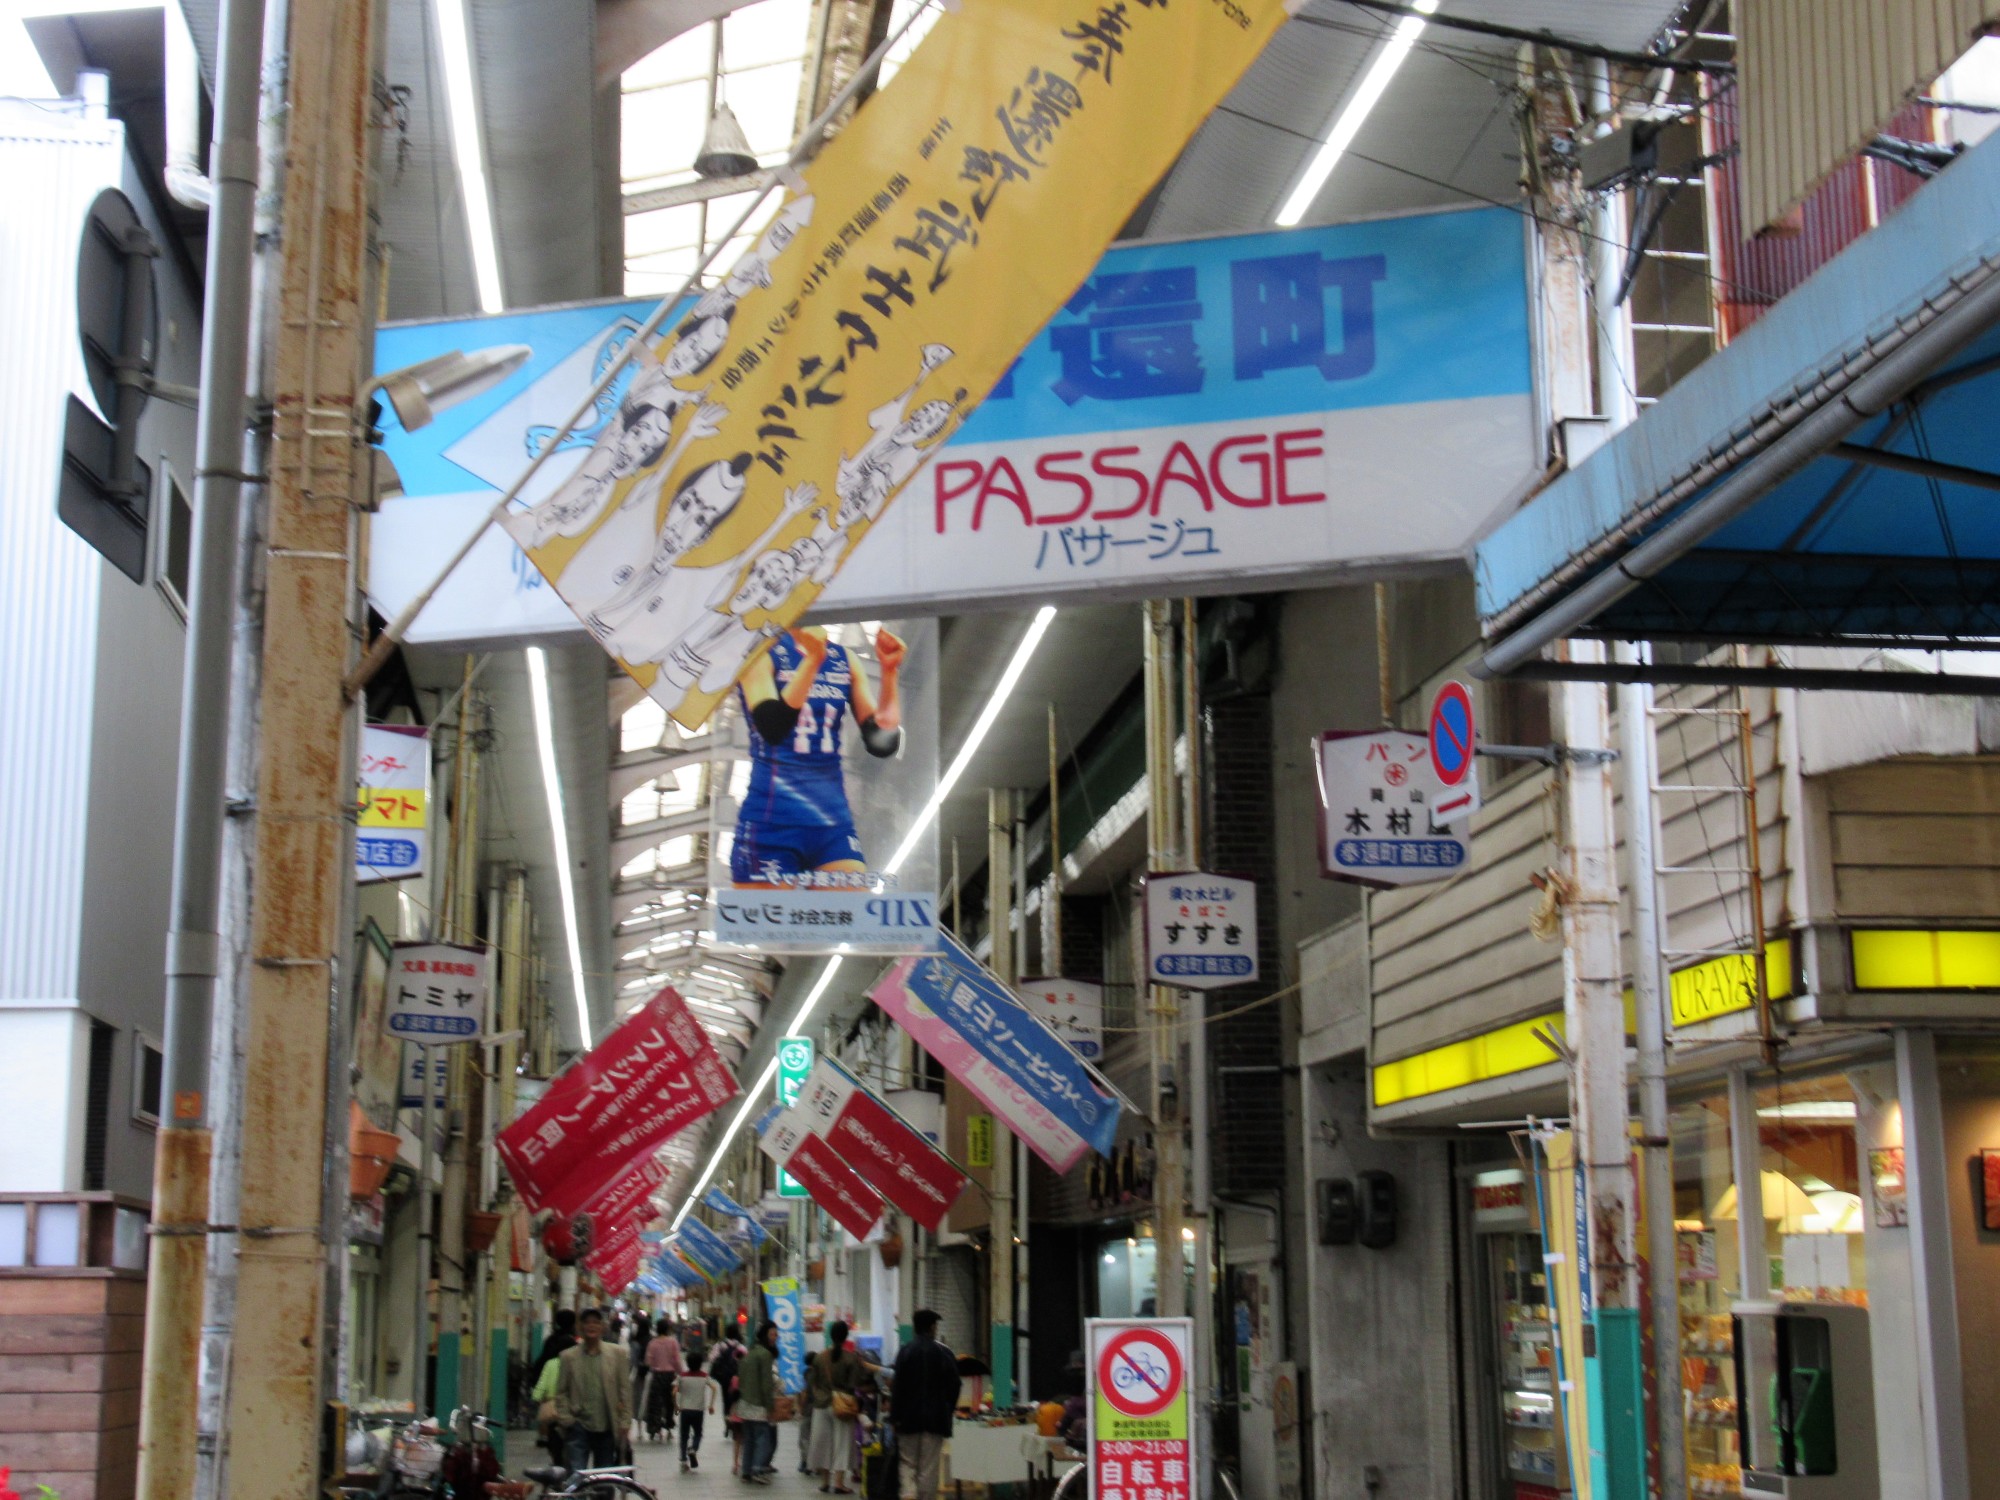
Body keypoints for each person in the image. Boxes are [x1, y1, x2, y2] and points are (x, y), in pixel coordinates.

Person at [729, 625, 905, 890]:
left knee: (852, 910)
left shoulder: (844, 659)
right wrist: (812, 661)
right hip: (771, 821)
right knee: (767, 916)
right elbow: (772, 727)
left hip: (831, 821)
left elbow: (881, 742)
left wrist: (890, 671)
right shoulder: (761, 654)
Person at [890, 1310, 958, 1500]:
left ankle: (908, 1494)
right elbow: (955, 1384)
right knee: (928, 1468)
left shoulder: (905, 1351)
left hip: (907, 1420)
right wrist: (947, 1410)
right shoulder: (943, 1353)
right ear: (932, 1327)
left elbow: (898, 1387)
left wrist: (895, 1418)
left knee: (907, 1463)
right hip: (934, 1421)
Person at [554, 1307, 632, 1471]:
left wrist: (625, 1422)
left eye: (596, 1322)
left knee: (604, 1476)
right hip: (578, 1426)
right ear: (580, 1327)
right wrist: (567, 1419)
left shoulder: (617, 1354)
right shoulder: (568, 1357)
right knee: (576, 1475)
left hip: (607, 1427)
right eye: (587, 1322)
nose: (591, 1326)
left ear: (602, 1327)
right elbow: (561, 1392)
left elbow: (625, 1391)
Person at [807, 1320, 868, 1494]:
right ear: (846, 1336)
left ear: (830, 1335)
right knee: (842, 1443)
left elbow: (812, 1381)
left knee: (823, 1442)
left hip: (821, 1405)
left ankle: (825, 1482)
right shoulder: (851, 1358)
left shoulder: (820, 1357)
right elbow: (856, 1383)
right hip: (842, 1405)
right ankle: (839, 1483)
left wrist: (820, 1394)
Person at [736, 1320, 781, 1485]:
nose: (776, 1337)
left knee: (749, 1439)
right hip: (759, 1404)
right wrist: (770, 1406)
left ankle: (746, 1471)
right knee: (764, 1440)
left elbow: (741, 1378)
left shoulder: (750, 1353)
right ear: (765, 1335)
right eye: (773, 1334)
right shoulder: (765, 1355)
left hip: (745, 1403)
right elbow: (766, 1384)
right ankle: (758, 1469)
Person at [676, 1346, 718, 1472]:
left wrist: (676, 1405)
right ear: (700, 1364)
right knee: (698, 1433)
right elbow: (714, 1388)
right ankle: (693, 1448)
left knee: (684, 1435)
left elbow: (673, 1391)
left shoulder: (682, 1376)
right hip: (698, 1410)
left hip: (685, 1410)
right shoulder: (704, 1376)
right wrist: (711, 1405)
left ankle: (683, 1460)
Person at [643, 1315, 682, 1442]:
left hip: (657, 1375)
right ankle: (669, 1427)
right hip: (670, 1376)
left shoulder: (652, 1343)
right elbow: (677, 1360)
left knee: (655, 1403)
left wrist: (656, 1364)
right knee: (669, 1402)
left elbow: (648, 1361)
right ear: (668, 1329)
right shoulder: (673, 1342)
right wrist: (681, 1372)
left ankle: (656, 1428)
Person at [709, 1334, 744, 1474]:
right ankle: (732, 1420)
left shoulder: (720, 1345)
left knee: (726, 1401)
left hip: (723, 1378)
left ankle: (727, 1423)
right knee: (735, 1400)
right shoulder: (740, 1346)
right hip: (737, 1377)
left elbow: (712, 1358)